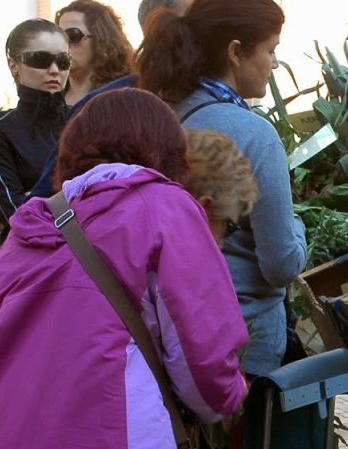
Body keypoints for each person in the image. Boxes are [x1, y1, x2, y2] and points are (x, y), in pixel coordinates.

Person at [0, 87, 249, 449]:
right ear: (165, 154)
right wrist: (234, 396)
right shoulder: (162, 206)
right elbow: (207, 376)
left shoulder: (24, 235)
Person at [138, 0, 307, 379]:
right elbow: (280, 264)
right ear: (235, 52)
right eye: (271, 49)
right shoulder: (253, 134)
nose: (275, 64)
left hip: (169, 335)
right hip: (243, 339)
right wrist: (299, 229)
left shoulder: (158, 116)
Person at [28, 0, 196, 201]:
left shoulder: (131, 96)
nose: (63, 47)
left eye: (72, 36)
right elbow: (45, 189)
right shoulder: (48, 103)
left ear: (101, 37)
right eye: (58, 39)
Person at [0, 19, 69, 229]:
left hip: (93, 252)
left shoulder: (84, 119)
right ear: (14, 66)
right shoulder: (3, 131)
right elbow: (17, 216)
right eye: (40, 59)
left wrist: (38, 200)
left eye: (63, 61)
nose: (54, 70)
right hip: (34, 255)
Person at [55, 0, 134, 106]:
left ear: (100, 40)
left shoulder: (122, 96)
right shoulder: (46, 99)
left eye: (72, 35)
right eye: (57, 37)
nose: (62, 45)